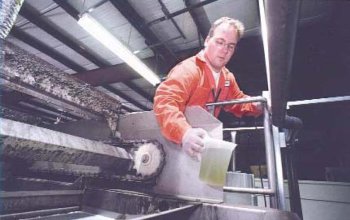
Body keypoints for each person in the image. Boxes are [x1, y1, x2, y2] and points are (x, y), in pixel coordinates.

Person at [153, 17, 262, 160]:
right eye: (220, 42)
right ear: (207, 40)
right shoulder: (188, 70)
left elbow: (238, 101)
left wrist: (258, 104)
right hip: (176, 145)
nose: (224, 50)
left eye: (230, 46)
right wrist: (184, 133)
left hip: (203, 143)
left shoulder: (227, 78)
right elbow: (165, 102)